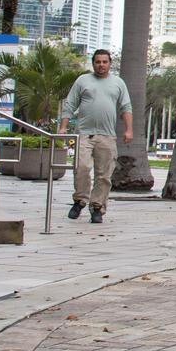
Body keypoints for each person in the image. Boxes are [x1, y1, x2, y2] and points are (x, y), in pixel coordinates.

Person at [59, 49, 133, 224]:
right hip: (84, 134)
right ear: (93, 63)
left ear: (110, 64)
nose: (101, 65)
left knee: (104, 175)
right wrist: (62, 127)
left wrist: (129, 130)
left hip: (107, 136)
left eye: (104, 62)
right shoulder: (82, 81)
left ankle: (97, 207)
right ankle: (80, 200)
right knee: (82, 167)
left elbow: (126, 107)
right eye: (98, 62)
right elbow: (70, 104)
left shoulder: (118, 83)